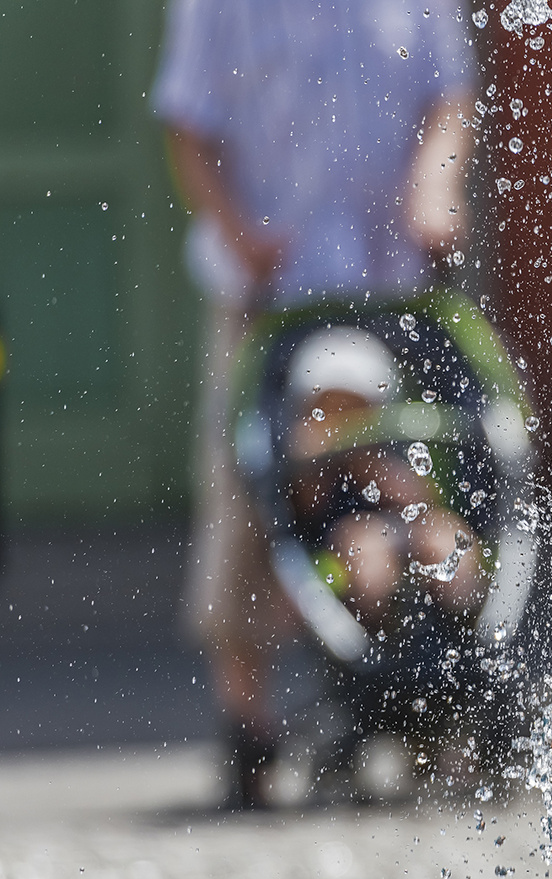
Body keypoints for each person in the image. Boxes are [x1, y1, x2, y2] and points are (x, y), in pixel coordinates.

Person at [152, 0, 475, 807]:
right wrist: (237, 231)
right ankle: (248, 719)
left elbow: (449, 96)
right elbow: (189, 125)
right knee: (248, 493)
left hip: (393, 281)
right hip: (273, 286)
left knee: (414, 479)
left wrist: (434, 191)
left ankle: (427, 696)